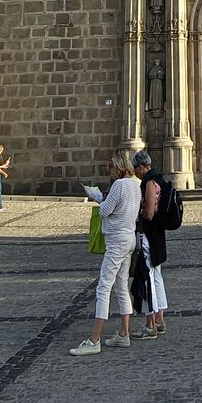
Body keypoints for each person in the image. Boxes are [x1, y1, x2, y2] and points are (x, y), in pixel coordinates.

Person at [71, 151, 140, 356]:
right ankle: (123, 334)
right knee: (121, 286)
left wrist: (98, 198)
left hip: (117, 241)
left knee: (103, 288)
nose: (109, 172)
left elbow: (104, 211)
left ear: (117, 168)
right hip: (129, 238)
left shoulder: (119, 185)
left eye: (111, 168)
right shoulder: (135, 184)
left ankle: (95, 339)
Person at [132, 149, 171, 339]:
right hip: (159, 235)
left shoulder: (149, 183)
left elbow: (148, 214)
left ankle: (150, 326)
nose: (135, 172)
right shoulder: (160, 179)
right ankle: (160, 321)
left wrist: (136, 212)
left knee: (147, 278)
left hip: (149, 234)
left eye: (135, 169)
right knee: (157, 277)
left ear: (141, 167)